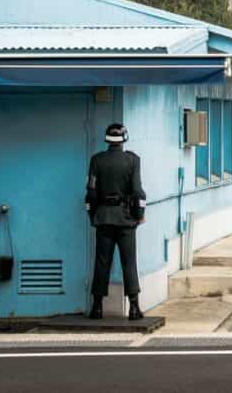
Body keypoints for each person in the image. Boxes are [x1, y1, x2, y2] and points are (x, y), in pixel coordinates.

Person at [86, 123, 146, 320]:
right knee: (128, 262)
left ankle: (97, 308)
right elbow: (137, 191)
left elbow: (91, 193)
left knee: (102, 262)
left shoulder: (96, 160)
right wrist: (139, 214)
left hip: (103, 218)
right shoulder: (133, 160)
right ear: (124, 138)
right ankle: (134, 308)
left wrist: (93, 216)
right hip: (126, 219)